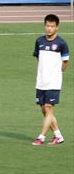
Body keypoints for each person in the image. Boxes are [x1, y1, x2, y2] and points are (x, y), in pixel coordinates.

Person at [32, 14, 69, 146]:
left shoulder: (61, 43)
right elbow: (38, 57)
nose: (49, 28)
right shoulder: (39, 41)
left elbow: (65, 61)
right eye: (47, 26)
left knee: (48, 108)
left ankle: (41, 137)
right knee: (44, 109)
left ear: (56, 27)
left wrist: (58, 72)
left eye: (52, 26)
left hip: (53, 82)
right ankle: (58, 136)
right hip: (41, 81)